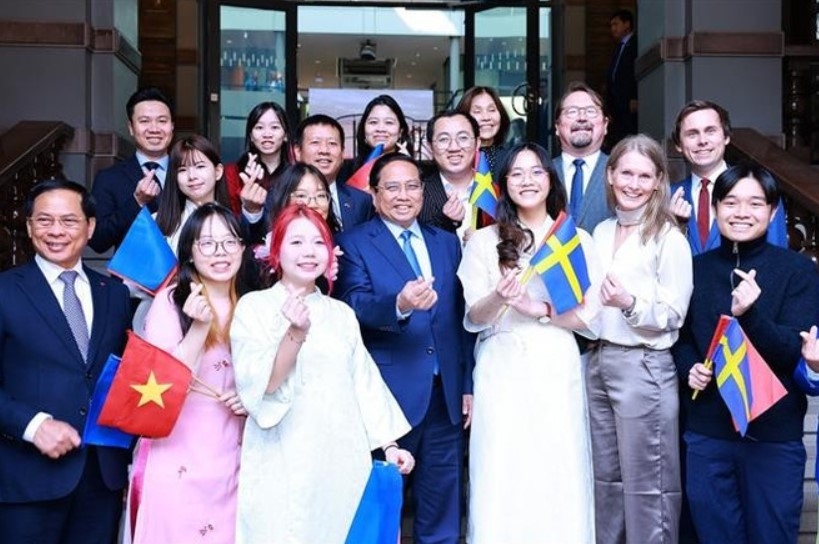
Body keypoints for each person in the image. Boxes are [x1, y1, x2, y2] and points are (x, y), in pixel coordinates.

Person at [230, 204, 414, 543]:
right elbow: (262, 385)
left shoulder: (341, 314)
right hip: (281, 454)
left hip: (340, 454)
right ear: (276, 251)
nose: (308, 253)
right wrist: (295, 334)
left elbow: (364, 382)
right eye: (296, 242)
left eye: (318, 243)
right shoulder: (253, 307)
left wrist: (388, 445)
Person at [457, 142, 599, 543]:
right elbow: (472, 318)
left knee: (558, 465)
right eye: (516, 173)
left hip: (556, 362)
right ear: (503, 184)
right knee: (501, 468)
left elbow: (590, 320)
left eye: (536, 171)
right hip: (502, 366)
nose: (527, 181)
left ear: (550, 179)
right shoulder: (484, 242)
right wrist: (500, 298)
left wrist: (538, 308)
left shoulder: (574, 239)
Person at [674, 163, 818, 544]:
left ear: (772, 212)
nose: (741, 212)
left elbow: (793, 351)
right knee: (713, 535)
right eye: (731, 202)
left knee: (772, 536)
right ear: (716, 206)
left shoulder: (798, 272)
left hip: (773, 436)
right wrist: (689, 367)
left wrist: (750, 315)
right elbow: (681, 338)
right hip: (707, 433)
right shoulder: (694, 269)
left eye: (755, 203)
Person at [335, 153, 474, 544]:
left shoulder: (445, 242)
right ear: (374, 195)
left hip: (444, 398)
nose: (403, 195)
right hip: (387, 397)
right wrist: (400, 304)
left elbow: (458, 320)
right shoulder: (354, 242)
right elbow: (353, 306)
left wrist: (466, 384)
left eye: (412, 186)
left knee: (443, 509)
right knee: (382, 509)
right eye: (392, 187)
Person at [0, 179, 131, 544]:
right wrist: (32, 425)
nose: (56, 231)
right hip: (26, 481)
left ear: (90, 227)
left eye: (69, 221)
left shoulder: (115, 294)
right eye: (44, 220)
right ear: (28, 227)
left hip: (101, 481)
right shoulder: (5, 291)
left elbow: (121, 378)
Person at [587, 134, 693, 544]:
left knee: (650, 485)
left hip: (643, 367)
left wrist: (630, 302)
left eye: (644, 176)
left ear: (658, 181)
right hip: (596, 361)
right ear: (610, 175)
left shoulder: (669, 238)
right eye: (626, 172)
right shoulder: (599, 230)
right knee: (606, 482)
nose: (633, 183)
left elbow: (673, 313)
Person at [130, 203, 247, 543]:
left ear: (242, 248)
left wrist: (249, 396)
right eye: (207, 243)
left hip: (238, 449)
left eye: (229, 242)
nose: (220, 253)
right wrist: (198, 329)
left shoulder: (253, 303)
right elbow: (163, 381)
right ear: (190, 253)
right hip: (178, 446)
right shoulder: (171, 302)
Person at [669, 100, 788, 255]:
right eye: (692, 134)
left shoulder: (760, 190)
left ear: (726, 137)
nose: (702, 141)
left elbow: (777, 256)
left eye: (710, 131)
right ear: (678, 144)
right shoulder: (667, 197)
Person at [90, 87, 174, 253]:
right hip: (133, 277)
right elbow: (98, 241)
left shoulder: (188, 174)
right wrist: (137, 202)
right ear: (131, 128)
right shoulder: (109, 178)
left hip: (189, 276)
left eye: (162, 121)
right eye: (144, 121)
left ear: (172, 126)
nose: (154, 128)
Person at [293, 114, 375, 231]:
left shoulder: (361, 201)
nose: (324, 150)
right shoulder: (280, 195)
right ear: (298, 151)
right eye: (315, 142)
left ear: (342, 153)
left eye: (332, 143)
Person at [420, 110, 491, 243]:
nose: (454, 147)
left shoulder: (497, 192)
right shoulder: (417, 193)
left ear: (477, 143)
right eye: (443, 139)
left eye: (463, 138)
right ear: (430, 147)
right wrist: (446, 222)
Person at [553, 81, 612, 233]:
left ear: (605, 125)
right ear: (557, 127)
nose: (582, 118)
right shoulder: (541, 172)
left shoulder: (622, 172)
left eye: (591, 111)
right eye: (572, 111)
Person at [155, 135, 231, 253]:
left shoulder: (231, 222)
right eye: (182, 170)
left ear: (218, 171)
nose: (192, 176)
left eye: (200, 166)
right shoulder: (156, 222)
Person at [224, 102, 291, 217]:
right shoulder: (233, 173)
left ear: (285, 135)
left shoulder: (296, 174)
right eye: (259, 127)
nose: (267, 134)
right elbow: (230, 219)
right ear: (251, 136)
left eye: (274, 127)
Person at [265, 162, 341, 235]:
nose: (313, 204)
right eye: (302, 195)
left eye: (320, 195)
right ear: (285, 200)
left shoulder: (340, 245)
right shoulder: (271, 245)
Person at [456, 86, 510, 174]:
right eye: (477, 111)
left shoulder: (512, 159)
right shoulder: (454, 157)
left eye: (492, 110)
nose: (486, 117)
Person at [605, 9, 638, 147]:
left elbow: (634, 72)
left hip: (628, 101)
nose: (613, 28)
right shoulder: (619, 48)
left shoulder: (635, 44)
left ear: (627, 24)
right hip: (617, 103)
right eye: (611, 25)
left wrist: (634, 96)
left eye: (616, 24)